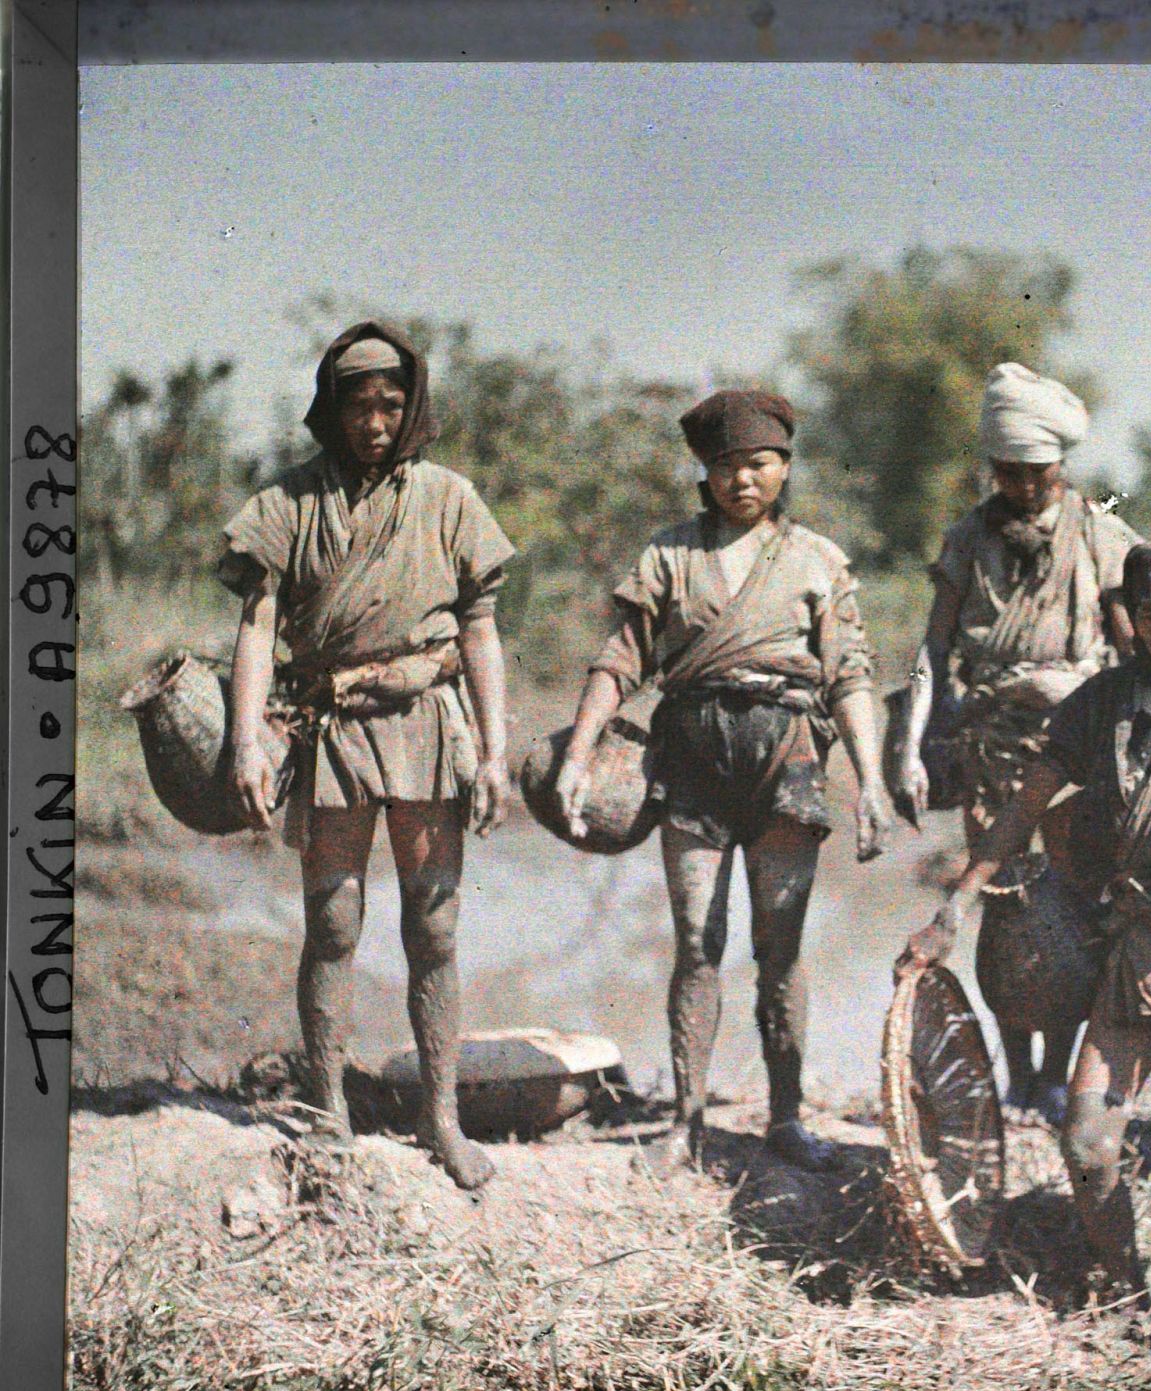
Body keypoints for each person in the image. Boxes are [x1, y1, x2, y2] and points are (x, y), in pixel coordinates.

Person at [900, 535, 1151, 1349]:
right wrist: (954, 908)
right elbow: (1024, 808)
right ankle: (1125, 1292)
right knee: (1087, 1140)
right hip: (1142, 934)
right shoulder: (1101, 703)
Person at [556, 389, 893, 1174]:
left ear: (784, 467)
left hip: (788, 758)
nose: (743, 480)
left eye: (759, 464)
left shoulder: (817, 560)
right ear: (704, 474)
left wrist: (871, 780)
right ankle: (686, 1121)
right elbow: (618, 661)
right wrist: (577, 756)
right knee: (697, 945)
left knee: (781, 948)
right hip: (694, 760)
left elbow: (850, 676)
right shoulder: (670, 557)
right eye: (725, 467)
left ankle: (786, 1118)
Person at [222, 321, 515, 1191]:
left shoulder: (452, 499)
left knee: (434, 927)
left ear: (413, 407)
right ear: (333, 408)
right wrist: (245, 736)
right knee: (334, 924)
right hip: (330, 729)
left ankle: (442, 1119)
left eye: (392, 404)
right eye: (360, 404)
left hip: (426, 723)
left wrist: (496, 752)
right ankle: (326, 1115)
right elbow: (258, 625)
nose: (376, 422)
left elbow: (482, 628)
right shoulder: (287, 505)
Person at [898, 362, 1139, 1122]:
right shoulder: (968, 538)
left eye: (1037, 474)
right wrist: (912, 745)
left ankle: (1062, 1073)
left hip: (1079, 745)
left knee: (1071, 906)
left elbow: (1131, 646)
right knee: (1003, 905)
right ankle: (1020, 1072)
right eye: (1008, 474)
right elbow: (934, 651)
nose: (1023, 488)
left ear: (1062, 468)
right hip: (993, 745)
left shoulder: (1099, 532)